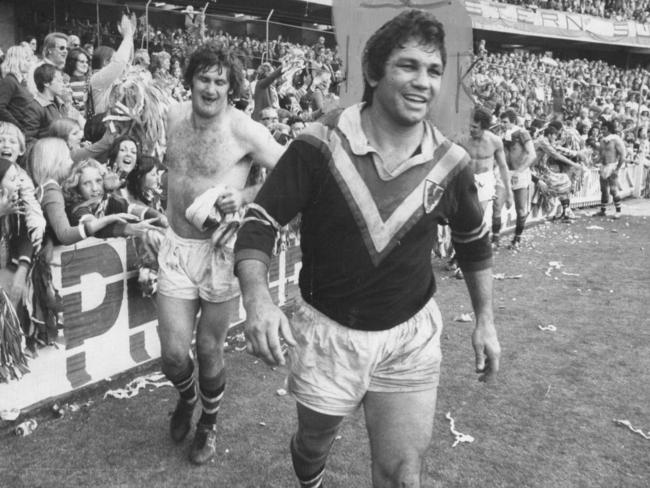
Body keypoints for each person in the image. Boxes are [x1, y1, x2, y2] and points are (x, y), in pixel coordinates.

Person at [235, 10, 500, 488]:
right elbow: (259, 222)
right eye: (408, 66)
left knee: (402, 476)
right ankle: (309, 475)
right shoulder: (320, 144)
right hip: (328, 334)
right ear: (375, 72)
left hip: (410, 338)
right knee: (312, 445)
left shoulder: (452, 162)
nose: (423, 82)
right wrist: (257, 299)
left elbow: (473, 243)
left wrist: (485, 320)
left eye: (434, 70)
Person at [157, 42, 285, 465]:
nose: (210, 88)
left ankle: (209, 423)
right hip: (177, 248)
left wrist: (245, 194)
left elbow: (290, 172)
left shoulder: (245, 129)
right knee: (174, 355)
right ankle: (187, 399)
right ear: (190, 80)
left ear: (231, 87)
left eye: (220, 81)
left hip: (221, 254)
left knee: (209, 349)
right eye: (203, 79)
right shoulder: (173, 116)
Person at [493, 109, 537, 249]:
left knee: (520, 209)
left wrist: (520, 171)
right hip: (505, 173)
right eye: (501, 121)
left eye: (505, 122)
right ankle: (495, 239)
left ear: (513, 121)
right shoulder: (501, 133)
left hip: (520, 174)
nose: (502, 124)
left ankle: (517, 239)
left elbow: (532, 155)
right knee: (496, 206)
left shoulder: (522, 133)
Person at [461, 106, 512, 213]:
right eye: (471, 126)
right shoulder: (462, 139)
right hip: (465, 178)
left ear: (484, 127)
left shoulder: (495, 141)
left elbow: (503, 167)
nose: (471, 129)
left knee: (478, 215)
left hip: (484, 180)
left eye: (475, 127)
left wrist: (509, 192)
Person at [593, 120, 626, 219]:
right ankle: (603, 211)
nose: (602, 131)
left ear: (609, 129)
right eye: (601, 129)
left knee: (613, 190)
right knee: (604, 190)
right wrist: (593, 161)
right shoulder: (602, 140)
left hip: (612, 166)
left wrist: (617, 169)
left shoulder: (616, 140)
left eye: (604, 129)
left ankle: (618, 211)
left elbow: (622, 156)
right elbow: (601, 155)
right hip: (603, 167)